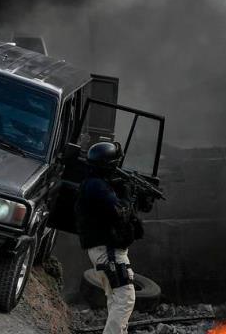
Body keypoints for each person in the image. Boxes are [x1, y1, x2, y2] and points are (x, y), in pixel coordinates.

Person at [76, 142, 146, 334]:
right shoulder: (97, 186)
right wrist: (128, 196)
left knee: (116, 299)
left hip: (105, 251)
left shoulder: (95, 183)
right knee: (125, 298)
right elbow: (120, 212)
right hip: (109, 252)